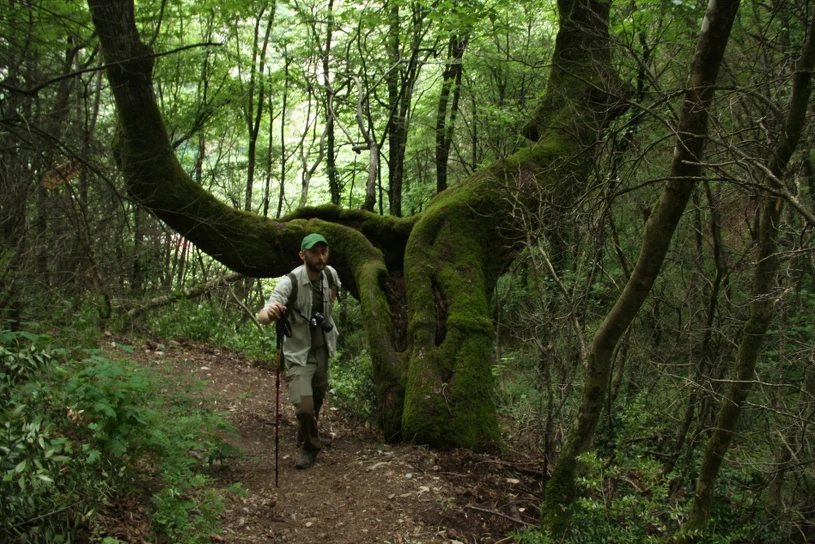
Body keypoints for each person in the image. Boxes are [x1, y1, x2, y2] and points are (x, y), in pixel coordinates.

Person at [257, 233, 341, 470]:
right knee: (304, 407)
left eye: (324, 251)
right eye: (314, 252)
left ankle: (306, 433)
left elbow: (334, 293)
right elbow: (264, 314)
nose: (320, 257)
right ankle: (309, 447)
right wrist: (270, 313)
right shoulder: (290, 282)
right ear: (302, 255)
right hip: (298, 352)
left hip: (322, 349)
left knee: (317, 399)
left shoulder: (330, 274)